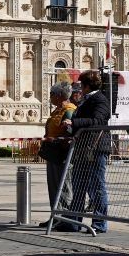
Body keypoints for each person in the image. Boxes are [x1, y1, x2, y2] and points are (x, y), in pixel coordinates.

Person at [66, 70, 111, 234]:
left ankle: (100, 223)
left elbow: (97, 121)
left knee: (97, 186)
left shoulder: (100, 99)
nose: (79, 87)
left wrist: (74, 122)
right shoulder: (86, 100)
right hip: (83, 148)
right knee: (78, 185)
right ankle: (74, 222)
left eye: (80, 84)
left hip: (95, 148)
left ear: (86, 85)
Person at [41, 82, 77, 221]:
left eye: (52, 94)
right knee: (54, 187)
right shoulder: (57, 110)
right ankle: (55, 217)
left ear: (60, 95)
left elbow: (69, 133)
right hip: (53, 154)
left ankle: (65, 218)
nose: (50, 97)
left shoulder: (69, 110)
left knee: (64, 187)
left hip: (62, 155)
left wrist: (58, 141)